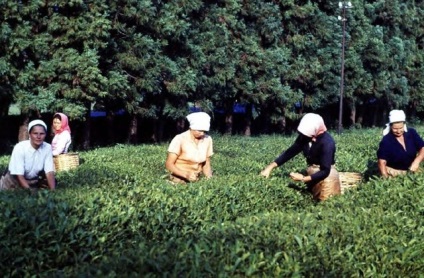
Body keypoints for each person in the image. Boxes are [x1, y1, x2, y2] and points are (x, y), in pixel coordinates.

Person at [260, 113, 340, 201]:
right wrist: (270, 167)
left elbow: (325, 171)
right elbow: (290, 152)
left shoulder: (327, 143)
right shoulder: (304, 137)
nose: (303, 136)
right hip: (312, 172)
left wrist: (303, 179)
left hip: (326, 176)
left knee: (325, 202)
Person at [0, 119, 56, 191]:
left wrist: (53, 190)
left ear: (45, 135)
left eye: (42, 133)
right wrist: (30, 191)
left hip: (32, 181)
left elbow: (49, 172)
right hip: (13, 181)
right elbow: (19, 175)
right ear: (30, 134)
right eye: (35, 133)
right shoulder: (20, 147)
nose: (38, 137)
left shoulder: (47, 147)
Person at [165, 112, 213, 184]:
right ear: (191, 128)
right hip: (179, 175)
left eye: (204, 131)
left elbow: (206, 163)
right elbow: (169, 164)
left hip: (197, 176)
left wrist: (209, 179)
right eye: (199, 130)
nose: (202, 133)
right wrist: (185, 175)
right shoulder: (180, 139)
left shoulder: (208, 139)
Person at [377, 109, 424, 178]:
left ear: (404, 125)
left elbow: (422, 147)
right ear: (390, 127)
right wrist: (386, 181)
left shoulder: (411, 133)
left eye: (401, 128)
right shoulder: (386, 141)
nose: (398, 131)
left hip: (412, 169)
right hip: (394, 171)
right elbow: (381, 162)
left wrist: (417, 161)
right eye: (395, 129)